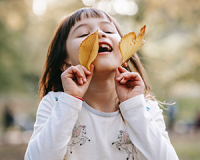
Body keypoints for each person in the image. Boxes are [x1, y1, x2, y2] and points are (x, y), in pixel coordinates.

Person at [25, 8, 179, 160]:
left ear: (125, 55)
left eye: (109, 31)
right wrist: (70, 101)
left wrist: (133, 106)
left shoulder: (146, 109)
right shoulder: (55, 103)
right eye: (84, 34)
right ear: (65, 64)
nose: (99, 33)